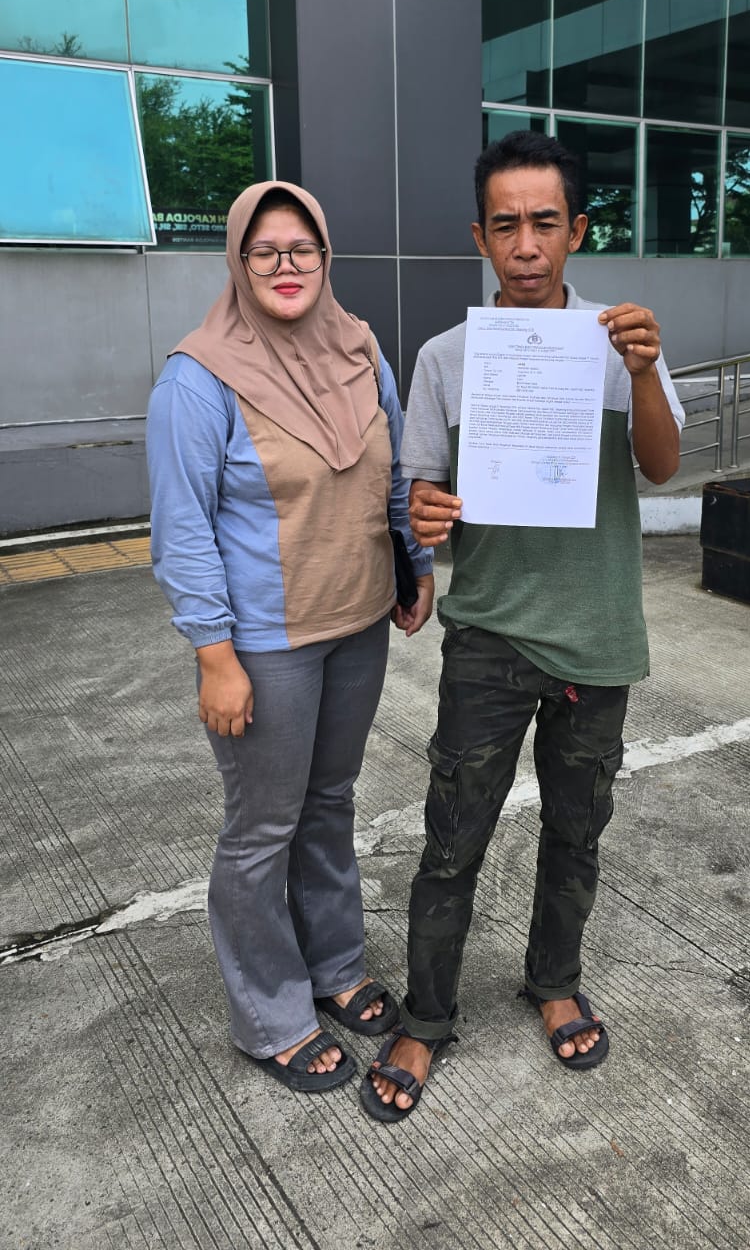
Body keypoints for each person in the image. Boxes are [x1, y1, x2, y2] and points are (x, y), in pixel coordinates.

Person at [361, 130, 684, 1122]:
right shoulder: (447, 357)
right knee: (452, 838)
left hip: (597, 634)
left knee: (576, 833)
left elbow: (663, 466)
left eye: (546, 222)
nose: (527, 244)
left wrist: (643, 373)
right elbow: (421, 493)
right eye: (506, 225)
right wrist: (424, 520)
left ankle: (554, 980)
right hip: (490, 637)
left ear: (577, 230)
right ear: (480, 237)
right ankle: (427, 1014)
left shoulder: (620, 342)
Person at [146, 181, 433, 1095]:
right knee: (263, 827)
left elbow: (392, 472)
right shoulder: (198, 379)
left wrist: (415, 562)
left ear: (325, 256)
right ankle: (271, 1013)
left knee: (330, 802)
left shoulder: (360, 349)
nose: (284, 266)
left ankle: (334, 966)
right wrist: (214, 654)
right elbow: (182, 529)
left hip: (358, 623)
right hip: (265, 645)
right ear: (238, 261)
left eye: (300, 249)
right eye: (263, 251)